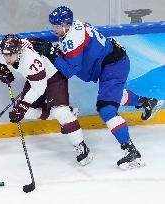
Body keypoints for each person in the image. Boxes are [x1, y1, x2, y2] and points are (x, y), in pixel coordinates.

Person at [48, 6, 164, 170]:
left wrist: (52, 55)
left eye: (57, 26)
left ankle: (132, 153)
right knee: (114, 95)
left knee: (107, 109)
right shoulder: (76, 26)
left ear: (67, 24)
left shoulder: (73, 39)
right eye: (53, 25)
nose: (54, 29)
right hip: (110, 63)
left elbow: (68, 71)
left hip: (114, 65)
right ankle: (147, 102)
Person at [0, 34, 93, 166]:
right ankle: (68, 113)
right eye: (5, 55)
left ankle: (81, 146)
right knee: (26, 112)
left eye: (11, 55)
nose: (7, 59)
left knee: (59, 112)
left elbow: (39, 88)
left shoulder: (31, 61)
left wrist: (23, 104)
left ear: (19, 51)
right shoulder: (1, 51)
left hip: (54, 76)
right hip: (35, 80)